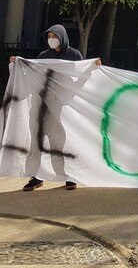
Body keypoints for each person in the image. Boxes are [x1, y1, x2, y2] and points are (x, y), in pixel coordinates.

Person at [9, 25, 98, 192]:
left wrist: (91, 68)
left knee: (60, 142)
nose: (51, 39)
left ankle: (67, 176)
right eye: (49, 36)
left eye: (54, 36)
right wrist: (17, 65)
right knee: (36, 142)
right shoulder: (44, 56)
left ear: (62, 37)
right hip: (39, 104)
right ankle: (36, 177)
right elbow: (32, 77)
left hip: (57, 105)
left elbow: (79, 77)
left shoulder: (73, 55)